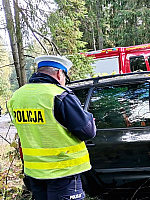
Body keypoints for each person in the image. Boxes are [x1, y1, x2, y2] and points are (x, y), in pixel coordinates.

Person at [7, 55, 96, 200]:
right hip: (63, 172)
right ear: (59, 73)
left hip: (35, 173)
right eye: (65, 76)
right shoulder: (59, 95)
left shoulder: (17, 97)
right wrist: (89, 118)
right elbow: (87, 131)